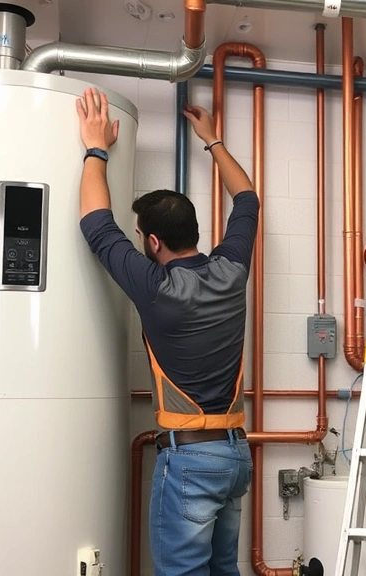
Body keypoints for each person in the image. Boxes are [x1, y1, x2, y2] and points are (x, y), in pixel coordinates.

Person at [75, 88, 258, 576]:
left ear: (152, 240)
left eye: (141, 236)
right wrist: (213, 140)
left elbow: (94, 223)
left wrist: (95, 148)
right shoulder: (231, 269)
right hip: (236, 455)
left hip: (191, 463)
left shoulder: (157, 287)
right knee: (225, 572)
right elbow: (247, 198)